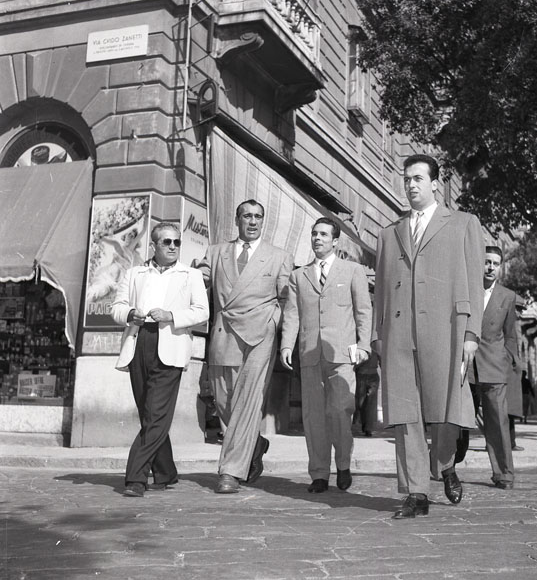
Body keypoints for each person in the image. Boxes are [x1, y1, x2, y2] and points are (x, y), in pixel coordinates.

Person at [373, 154, 484, 519]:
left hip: (447, 329)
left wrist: (471, 332)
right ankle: (416, 492)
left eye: (418, 178)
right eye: (406, 179)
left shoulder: (464, 224)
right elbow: (382, 291)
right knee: (406, 413)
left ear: (435, 183)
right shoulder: (389, 234)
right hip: (399, 333)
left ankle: (446, 463)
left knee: (446, 408)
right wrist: (377, 336)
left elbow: (474, 281)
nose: (410, 185)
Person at [197, 200, 293, 494]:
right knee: (224, 401)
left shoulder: (278, 256)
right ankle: (254, 443)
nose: (253, 222)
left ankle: (230, 472)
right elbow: (194, 283)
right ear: (237, 219)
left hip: (260, 336)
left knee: (248, 401)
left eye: (258, 217)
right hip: (224, 333)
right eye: (247, 216)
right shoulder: (216, 252)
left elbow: (288, 300)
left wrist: (275, 326)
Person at [112, 222, 209, 497]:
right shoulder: (135, 273)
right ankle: (166, 472)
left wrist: (172, 316)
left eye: (177, 242)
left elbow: (202, 311)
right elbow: (116, 308)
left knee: (155, 414)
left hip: (171, 345)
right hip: (139, 342)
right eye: (167, 242)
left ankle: (136, 478)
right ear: (153, 245)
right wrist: (129, 314)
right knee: (149, 414)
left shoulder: (190, 275)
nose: (173, 247)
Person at [281, 218, 371, 493]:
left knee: (340, 412)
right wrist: (286, 345)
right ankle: (319, 473)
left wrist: (364, 345)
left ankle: (343, 464)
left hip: (342, 354)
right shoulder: (299, 276)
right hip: (309, 354)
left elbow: (363, 311)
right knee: (314, 417)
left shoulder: (353, 271)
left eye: (323, 234)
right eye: (314, 234)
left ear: (335, 241)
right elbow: (292, 314)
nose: (317, 238)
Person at [467, 246, 521, 489]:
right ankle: (441, 467)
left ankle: (504, 474)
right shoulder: (466, 288)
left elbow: (510, 335)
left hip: (494, 366)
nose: (490, 267)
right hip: (464, 363)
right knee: (452, 421)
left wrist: (508, 360)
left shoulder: (507, 296)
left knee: (498, 422)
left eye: (495, 264)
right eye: (487, 261)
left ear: (500, 268)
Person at [353, 350, 380, 437]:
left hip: (373, 375)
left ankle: (368, 428)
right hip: (361, 375)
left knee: (371, 402)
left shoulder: (376, 345)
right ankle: (362, 424)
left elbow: (381, 357)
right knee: (360, 402)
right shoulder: (359, 345)